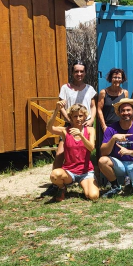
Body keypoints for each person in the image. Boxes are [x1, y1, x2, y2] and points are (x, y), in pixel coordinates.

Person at [42, 61, 97, 197]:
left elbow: (93, 106)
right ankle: (57, 185)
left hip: (85, 124)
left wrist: (91, 120)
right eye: (76, 71)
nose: (79, 74)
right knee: (59, 155)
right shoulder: (65, 88)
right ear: (72, 73)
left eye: (81, 71)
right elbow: (61, 106)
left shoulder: (89, 88)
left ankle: (86, 178)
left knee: (84, 152)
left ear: (85, 73)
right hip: (70, 125)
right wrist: (69, 119)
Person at [45, 102, 99, 202]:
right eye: (75, 116)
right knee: (54, 175)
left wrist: (81, 136)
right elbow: (49, 128)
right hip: (69, 171)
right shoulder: (65, 131)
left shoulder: (90, 130)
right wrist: (57, 110)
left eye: (80, 116)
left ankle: (85, 184)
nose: (78, 119)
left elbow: (91, 148)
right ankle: (62, 188)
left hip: (86, 171)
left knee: (93, 196)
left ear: (85, 116)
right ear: (71, 117)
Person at [98, 99, 133, 198]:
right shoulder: (111, 129)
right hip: (119, 164)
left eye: (128, 110)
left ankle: (131, 182)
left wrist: (128, 152)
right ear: (118, 113)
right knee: (102, 161)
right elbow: (103, 152)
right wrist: (113, 138)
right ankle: (115, 185)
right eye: (123, 110)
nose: (126, 113)